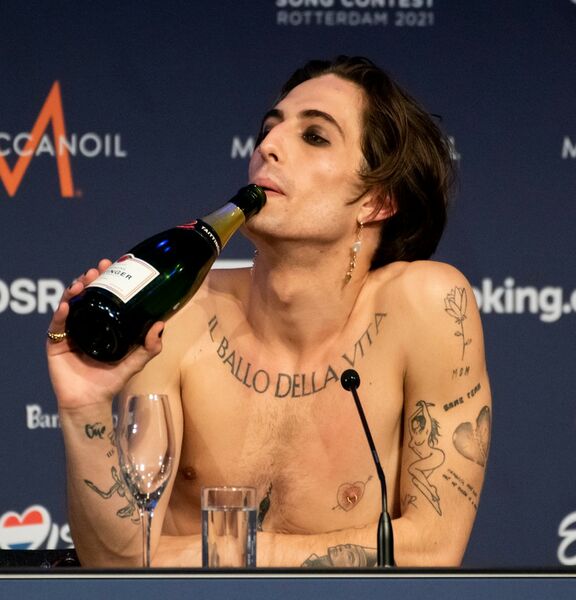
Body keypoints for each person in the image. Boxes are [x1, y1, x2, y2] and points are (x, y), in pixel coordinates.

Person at [47, 55, 492, 568]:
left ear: (377, 201)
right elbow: (118, 563)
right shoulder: (182, 312)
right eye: (268, 129)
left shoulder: (427, 305)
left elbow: (434, 549)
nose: (268, 147)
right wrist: (84, 409)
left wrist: (227, 554)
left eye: (315, 136)